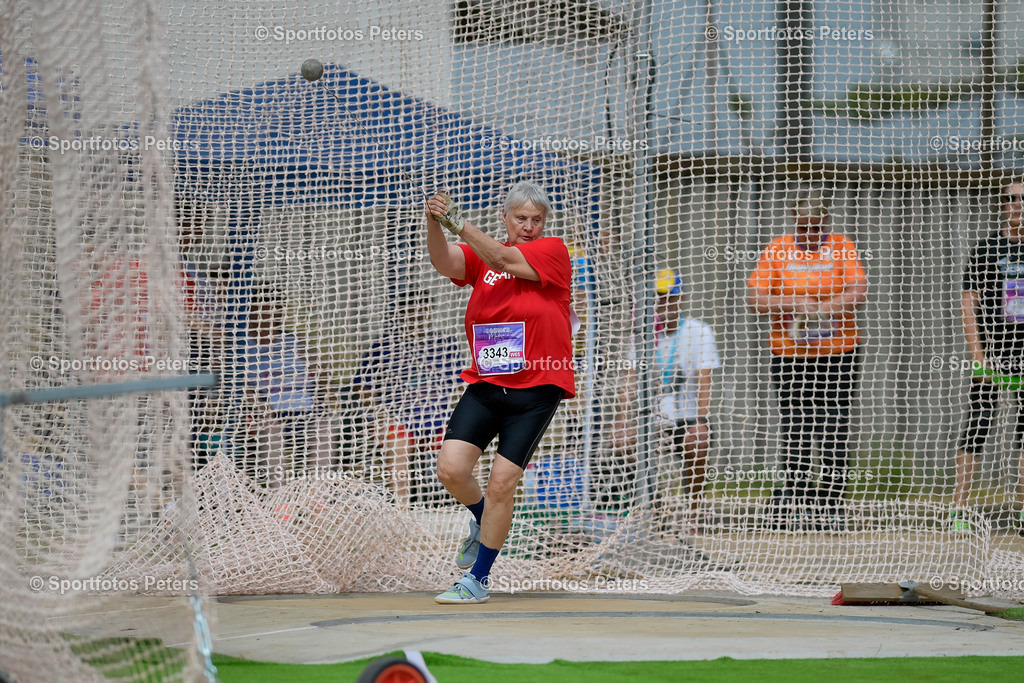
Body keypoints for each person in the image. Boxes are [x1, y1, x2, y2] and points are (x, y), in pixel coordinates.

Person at [425, 181, 575, 604]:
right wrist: (435, 223)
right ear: (505, 218)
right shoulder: (480, 256)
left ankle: (478, 579)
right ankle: (481, 520)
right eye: (521, 218)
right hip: (488, 382)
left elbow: (504, 257)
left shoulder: (552, 251)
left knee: (501, 484)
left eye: (536, 220)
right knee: (451, 470)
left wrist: (458, 222)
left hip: (538, 386)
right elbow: (445, 261)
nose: (528, 226)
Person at [747, 188, 868, 529]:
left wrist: (824, 309)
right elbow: (756, 298)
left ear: (826, 224)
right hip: (790, 353)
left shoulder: (842, 246)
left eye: (816, 227)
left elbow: (859, 290)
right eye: (803, 227)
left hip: (838, 352)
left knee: (833, 425)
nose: (810, 234)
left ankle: (831, 502)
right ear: (794, 224)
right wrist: (794, 305)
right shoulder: (778, 248)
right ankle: (798, 497)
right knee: (796, 425)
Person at [954, 181, 1024, 535]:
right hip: (994, 351)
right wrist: (978, 355)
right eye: (1011, 199)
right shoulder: (986, 249)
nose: (1017, 205)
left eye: (1022, 199)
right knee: (978, 424)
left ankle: (1023, 510)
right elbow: (969, 302)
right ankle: (960, 509)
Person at [352, 291, 464, 507]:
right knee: (398, 445)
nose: (418, 316)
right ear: (401, 314)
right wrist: (378, 411)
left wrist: (462, 415)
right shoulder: (384, 346)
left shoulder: (444, 344)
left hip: (438, 420)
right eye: (411, 311)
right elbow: (360, 385)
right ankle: (402, 510)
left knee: (464, 445)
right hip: (399, 419)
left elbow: (461, 385)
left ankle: (469, 510)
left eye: (422, 309)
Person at [241, 294, 336, 488]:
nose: (265, 317)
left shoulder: (293, 340)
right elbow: (240, 383)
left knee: (325, 428)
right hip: (268, 410)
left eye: (270, 311)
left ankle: (318, 495)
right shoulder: (242, 345)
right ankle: (280, 498)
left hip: (305, 409)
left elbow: (320, 372)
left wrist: (327, 388)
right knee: (271, 431)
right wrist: (257, 404)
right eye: (259, 311)